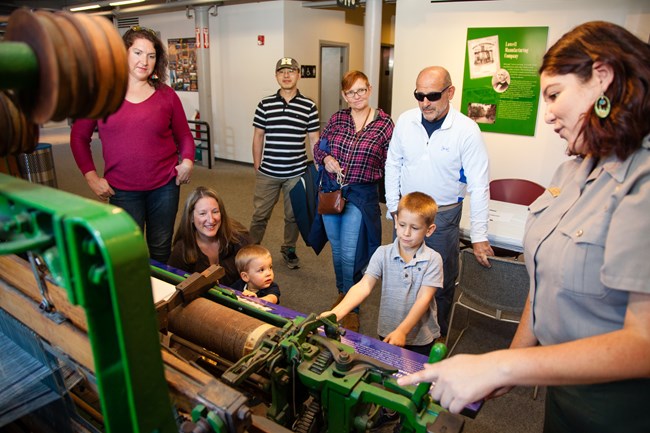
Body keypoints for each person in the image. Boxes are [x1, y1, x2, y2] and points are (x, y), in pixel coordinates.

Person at [398, 21, 650, 432]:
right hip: (561, 383)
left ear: (602, 80)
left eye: (554, 95)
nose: (547, 113)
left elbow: (644, 343)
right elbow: (545, 281)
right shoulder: (572, 171)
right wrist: (514, 364)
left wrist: (503, 365)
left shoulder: (642, 181)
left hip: (621, 406)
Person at [384, 66, 493, 339]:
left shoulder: (467, 130)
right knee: (403, 274)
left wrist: (479, 236)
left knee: (439, 280)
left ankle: (437, 335)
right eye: (419, 95)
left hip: (442, 217)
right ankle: (402, 331)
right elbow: (392, 164)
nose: (424, 103)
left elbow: (480, 185)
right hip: (406, 212)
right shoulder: (407, 121)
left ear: (450, 92)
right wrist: (393, 207)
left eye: (432, 95)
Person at [70, 26, 194, 264]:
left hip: (164, 187)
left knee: (160, 249)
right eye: (137, 53)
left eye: (151, 55)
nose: (144, 61)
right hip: (122, 190)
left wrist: (187, 160)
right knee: (129, 253)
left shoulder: (166, 95)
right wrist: (91, 177)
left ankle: (162, 298)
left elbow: (185, 136)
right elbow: (78, 138)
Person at [313, 70, 394, 332]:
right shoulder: (337, 119)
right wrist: (325, 159)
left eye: (361, 90)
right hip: (331, 192)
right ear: (344, 95)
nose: (356, 96)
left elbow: (393, 162)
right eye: (350, 92)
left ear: (369, 90)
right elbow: (319, 147)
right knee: (336, 250)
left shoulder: (384, 124)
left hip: (360, 195)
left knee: (350, 253)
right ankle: (342, 292)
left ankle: (351, 306)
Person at [320, 192, 442, 355]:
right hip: (388, 330)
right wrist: (337, 313)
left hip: (420, 338)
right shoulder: (382, 253)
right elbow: (364, 286)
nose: (406, 233)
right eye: (403, 224)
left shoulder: (433, 260)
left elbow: (424, 299)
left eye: (414, 228)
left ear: (429, 230)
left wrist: (403, 331)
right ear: (396, 221)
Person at [250, 57, 320, 269]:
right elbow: (258, 135)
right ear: (276, 76)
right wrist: (257, 165)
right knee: (260, 214)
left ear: (298, 75)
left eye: (291, 71)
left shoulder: (309, 106)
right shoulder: (265, 104)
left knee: (293, 217)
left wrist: (318, 171)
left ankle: (289, 249)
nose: (287, 75)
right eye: (282, 72)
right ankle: (251, 250)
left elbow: (314, 139)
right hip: (268, 171)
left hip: (296, 172)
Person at [168, 186, 251, 287]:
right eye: (202, 213)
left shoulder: (239, 237)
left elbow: (260, 275)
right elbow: (173, 287)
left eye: (215, 212)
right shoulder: (182, 250)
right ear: (191, 218)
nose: (211, 220)